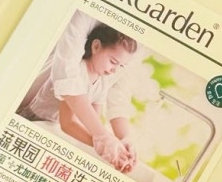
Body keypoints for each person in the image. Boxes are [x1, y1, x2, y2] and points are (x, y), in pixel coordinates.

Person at [18, 15, 139, 171]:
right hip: (33, 118)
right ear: (96, 47)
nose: (114, 70)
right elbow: (68, 124)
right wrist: (102, 145)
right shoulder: (78, 72)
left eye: (121, 66)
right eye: (113, 62)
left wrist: (118, 149)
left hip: (50, 125)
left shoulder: (102, 82)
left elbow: (95, 122)